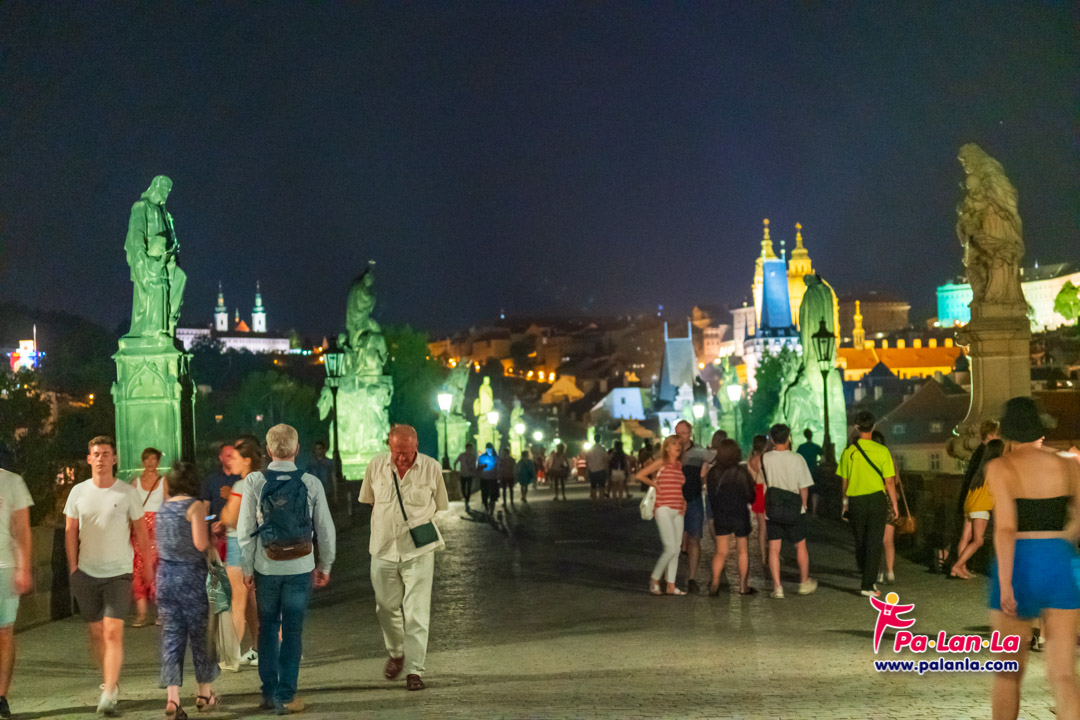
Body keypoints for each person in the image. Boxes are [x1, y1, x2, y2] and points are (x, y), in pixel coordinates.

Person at [987, 397, 1080, 720]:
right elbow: (1078, 519)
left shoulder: (1001, 466)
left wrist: (1005, 585)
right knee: (1064, 673)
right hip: (1059, 559)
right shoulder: (1069, 464)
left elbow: (1006, 528)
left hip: (1020, 561)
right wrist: (1061, 541)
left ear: (1006, 430)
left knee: (1008, 671)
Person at [237, 424, 335, 714]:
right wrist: (325, 564)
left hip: (266, 566)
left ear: (268, 451)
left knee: (267, 629)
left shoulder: (254, 481)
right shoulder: (310, 482)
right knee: (292, 630)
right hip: (299, 567)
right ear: (297, 449)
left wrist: (247, 567)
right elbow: (325, 529)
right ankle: (286, 696)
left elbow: (246, 531)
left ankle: (268, 692)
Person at [64, 436, 154, 715]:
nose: (101, 458)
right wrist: (72, 568)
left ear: (114, 459)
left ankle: (109, 690)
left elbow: (140, 531)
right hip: (87, 572)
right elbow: (70, 531)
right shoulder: (78, 492)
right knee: (96, 634)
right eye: (96, 454)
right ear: (89, 459)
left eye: (106, 454)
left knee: (113, 632)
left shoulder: (126, 492)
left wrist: (148, 565)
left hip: (119, 573)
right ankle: (109, 682)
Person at [360, 425, 449, 692]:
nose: (402, 458)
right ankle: (397, 652)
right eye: (398, 452)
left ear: (416, 445)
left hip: (418, 551)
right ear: (389, 446)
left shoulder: (432, 468)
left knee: (417, 611)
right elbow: (370, 500)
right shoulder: (375, 466)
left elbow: (441, 505)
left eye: (408, 452)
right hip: (383, 549)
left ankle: (414, 670)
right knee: (385, 608)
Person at [156, 462, 220, 718]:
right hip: (191, 577)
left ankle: (172, 699)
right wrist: (212, 539)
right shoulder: (193, 507)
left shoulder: (162, 508)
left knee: (171, 638)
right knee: (200, 637)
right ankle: (204, 693)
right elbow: (200, 543)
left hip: (165, 577)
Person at [837, 411, 898, 598]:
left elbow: (844, 482)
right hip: (877, 500)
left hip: (856, 501)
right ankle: (868, 584)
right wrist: (894, 504)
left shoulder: (849, 452)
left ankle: (867, 576)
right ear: (873, 427)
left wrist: (845, 503)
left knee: (860, 541)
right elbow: (889, 481)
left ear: (856, 428)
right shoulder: (882, 451)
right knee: (873, 542)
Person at [220, 437, 263, 668]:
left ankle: (231, 655)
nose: (230, 462)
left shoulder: (240, 486)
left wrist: (225, 512)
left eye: (235, 458)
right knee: (254, 601)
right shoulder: (263, 481)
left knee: (237, 601)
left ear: (247, 461)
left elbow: (231, 518)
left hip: (238, 544)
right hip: (258, 544)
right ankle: (261, 648)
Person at [760, 424, 818, 598]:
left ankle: (777, 587)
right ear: (789, 437)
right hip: (794, 507)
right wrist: (804, 505)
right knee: (800, 545)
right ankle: (803, 582)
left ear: (772, 437)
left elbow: (762, 484)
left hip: (774, 506)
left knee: (774, 548)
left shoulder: (765, 458)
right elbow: (804, 486)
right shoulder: (797, 458)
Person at [0, 460, 33, 720]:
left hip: (4, 566)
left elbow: (22, 529)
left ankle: (1, 696)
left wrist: (24, 568)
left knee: (4, 632)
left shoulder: (12, 482)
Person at [635, 436, 687, 596]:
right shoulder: (661, 462)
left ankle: (671, 585)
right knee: (670, 547)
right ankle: (655, 579)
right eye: (674, 444)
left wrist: (683, 503)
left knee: (676, 549)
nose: (677, 446)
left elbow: (680, 486)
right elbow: (640, 475)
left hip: (678, 509)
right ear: (666, 448)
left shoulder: (679, 465)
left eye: (679, 444)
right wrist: (655, 484)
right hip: (663, 507)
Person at [706, 439, 756, 596]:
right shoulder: (741, 471)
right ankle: (743, 586)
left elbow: (711, 495)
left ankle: (714, 583)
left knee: (721, 551)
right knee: (742, 550)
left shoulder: (713, 472)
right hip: (739, 513)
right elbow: (750, 495)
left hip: (721, 513)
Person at [950, 420, 1001, 568]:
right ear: (991, 435)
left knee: (966, 536)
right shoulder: (988, 453)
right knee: (977, 540)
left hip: (970, 499)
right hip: (979, 502)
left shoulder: (979, 451)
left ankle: (962, 567)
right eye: (997, 434)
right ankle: (958, 566)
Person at [130, 447, 165, 628]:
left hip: (158, 530)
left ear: (158, 462)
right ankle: (142, 613)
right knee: (138, 569)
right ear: (142, 461)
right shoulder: (134, 483)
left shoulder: (164, 481)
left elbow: (167, 505)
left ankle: (161, 613)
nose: (150, 462)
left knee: (158, 569)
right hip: (140, 529)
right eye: (147, 459)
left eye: (154, 459)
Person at [674, 421, 707, 594]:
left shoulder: (698, 451)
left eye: (684, 433)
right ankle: (672, 578)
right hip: (674, 501)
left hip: (693, 499)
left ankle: (692, 578)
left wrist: (705, 473)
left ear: (690, 433)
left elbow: (713, 461)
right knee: (676, 543)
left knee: (694, 538)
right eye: (678, 433)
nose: (681, 436)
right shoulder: (671, 451)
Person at [201, 444, 239, 561]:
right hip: (216, 535)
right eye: (228, 456)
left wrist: (230, 495)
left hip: (237, 533)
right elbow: (205, 509)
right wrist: (208, 527)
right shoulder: (211, 479)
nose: (231, 459)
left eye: (234, 456)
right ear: (221, 458)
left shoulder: (241, 478)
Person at [747, 435, 770, 573]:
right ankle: (771, 552)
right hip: (764, 491)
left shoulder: (750, 460)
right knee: (767, 526)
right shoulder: (762, 459)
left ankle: (763, 556)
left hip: (756, 491)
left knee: (761, 526)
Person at [796, 429, 823, 515]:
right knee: (815, 491)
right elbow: (823, 458)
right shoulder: (816, 446)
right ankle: (814, 511)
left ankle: (804, 508)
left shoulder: (801, 447)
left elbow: (797, 458)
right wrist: (818, 463)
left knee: (803, 489)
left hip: (803, 471)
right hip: (813, 470)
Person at [453, 443, 477, 512]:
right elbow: (455, 462)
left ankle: (467, 502)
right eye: (469, 448)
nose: (470, 450)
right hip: (462, 475)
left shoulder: (473, 457)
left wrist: (472, 469)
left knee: (469, 490)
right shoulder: (462, 455)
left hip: (469, 475)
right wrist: (455, 470)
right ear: (466, 448)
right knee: (463, 489)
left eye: (471, 449)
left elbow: (474, 467)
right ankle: (466, 500)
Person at [476, 444, 499, 515]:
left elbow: (499, 468)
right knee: (484, 496)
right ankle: (487, 508)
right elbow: (478, 468)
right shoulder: (481, 457)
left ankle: (491, 511)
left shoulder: (496, 458)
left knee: (493, 496)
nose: (489, 450)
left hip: (493, 479)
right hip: (484, 478)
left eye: (490, 449)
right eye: (487, 449)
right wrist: (482, 467)